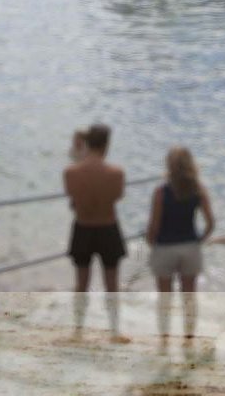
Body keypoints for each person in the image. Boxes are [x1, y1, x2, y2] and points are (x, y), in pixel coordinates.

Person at [63, 124, 127, 341]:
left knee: (81, 284)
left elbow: (73, 199)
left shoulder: (70, 172)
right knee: (112, 284)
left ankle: (78, 330)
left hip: (82, 227)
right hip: (108, 228)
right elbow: (116, 197)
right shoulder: (116, 173)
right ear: (106, 144)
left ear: (87, 143)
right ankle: (114, 331)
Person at [147, 147, 214, 343]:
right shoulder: (199, 190)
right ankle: (189, 336)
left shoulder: (161, 192)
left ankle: (165, 337)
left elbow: (154, 226)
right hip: (190, 247)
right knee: (189, 295)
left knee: (165, 297)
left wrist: (152, 244)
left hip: (165, 248)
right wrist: (200, 240)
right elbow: (211, 223)